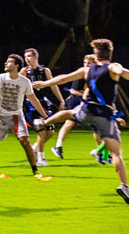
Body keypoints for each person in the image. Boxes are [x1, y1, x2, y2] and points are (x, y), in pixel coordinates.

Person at [33, 38, 129, 204]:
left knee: (68, 113)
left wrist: (43, 84)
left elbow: (63, 78)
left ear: (96, 55)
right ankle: (124, 185)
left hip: (86, 111)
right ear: (109, 54)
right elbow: (122, 71)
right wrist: (120, 70)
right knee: (116, 153)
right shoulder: (113, 67)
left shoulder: (87, 70)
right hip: (104, 115)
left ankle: (44, 122)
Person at [0, 54, 49, 177]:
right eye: (6, 61)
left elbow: (34, 100)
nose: (5, 63)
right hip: (0, 116)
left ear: (16, 65)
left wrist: (45, 116)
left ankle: (35, 170)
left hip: (16, 116)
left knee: (25, 142)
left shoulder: (24, 82)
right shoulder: (0, 78)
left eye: (9, 62)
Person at [20, 48, 65, 166]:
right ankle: (40, 159)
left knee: (50, 132)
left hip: (43, 104)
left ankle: (34, 148)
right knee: (41, 130)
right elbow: (15, 84)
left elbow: (53, 86)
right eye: (25, 57)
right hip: (30, 104)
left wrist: (61, 100)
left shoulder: (45, 71)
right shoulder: (24, 71)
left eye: (29, 56)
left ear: (36, 57)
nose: (27, 59)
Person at [51, 54, 96, 159]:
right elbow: (73, 90)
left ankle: (100, 151)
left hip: (87, 102)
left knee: (96, 126)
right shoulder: (82, 73)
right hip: (76, 101)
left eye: (89, 63)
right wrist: (85, 94)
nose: (86, 65)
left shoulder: (95, 75)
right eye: (85, 63)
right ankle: (58, 146)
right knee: (69, 123)